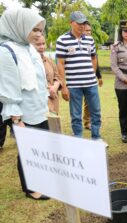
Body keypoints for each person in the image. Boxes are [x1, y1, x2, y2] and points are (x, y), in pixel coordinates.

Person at [0, 8, 50, 200]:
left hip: (39, 109)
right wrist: (17, 120)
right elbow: (8, 90)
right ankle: (31, 189)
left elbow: (38, 81)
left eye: (40, 30)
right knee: (28, 151)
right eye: (34, 29)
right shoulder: (6, 52)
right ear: (19, 26)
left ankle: (42, 180)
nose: (39, 35)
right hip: (24, 114)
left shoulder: (28, 47)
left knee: (41, 149)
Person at [56, 11, 103, 142]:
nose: (82, 26)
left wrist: (92, 74)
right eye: (79, 23)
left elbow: (94, 58)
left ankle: (96, 137)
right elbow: (60, 64)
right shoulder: (62, 40)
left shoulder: (90, 39)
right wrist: (64, 86)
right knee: (75, 115)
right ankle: (78, 139)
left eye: (84, 23)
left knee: (96, 112)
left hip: (91, 84)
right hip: (73, 85)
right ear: (71, 23)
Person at [32, 34, 64, 114]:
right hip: (37, 103)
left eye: (43, 43)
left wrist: (55, 86)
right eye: (38, 44)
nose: (42, 47)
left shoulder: (49, 61)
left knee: (53, 125)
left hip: (53, 100)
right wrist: (46, 90)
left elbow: (58, 76)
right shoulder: (28, 63)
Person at [82, 21, 103, 130]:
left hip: (90, 79)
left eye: (90, 31)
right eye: (87, 30)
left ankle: (87, 122)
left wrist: (99, 77)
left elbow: (95, 60)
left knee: (89, 102)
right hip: (77, 80)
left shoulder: (91, 42)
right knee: (76, 104)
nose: (89, 32)